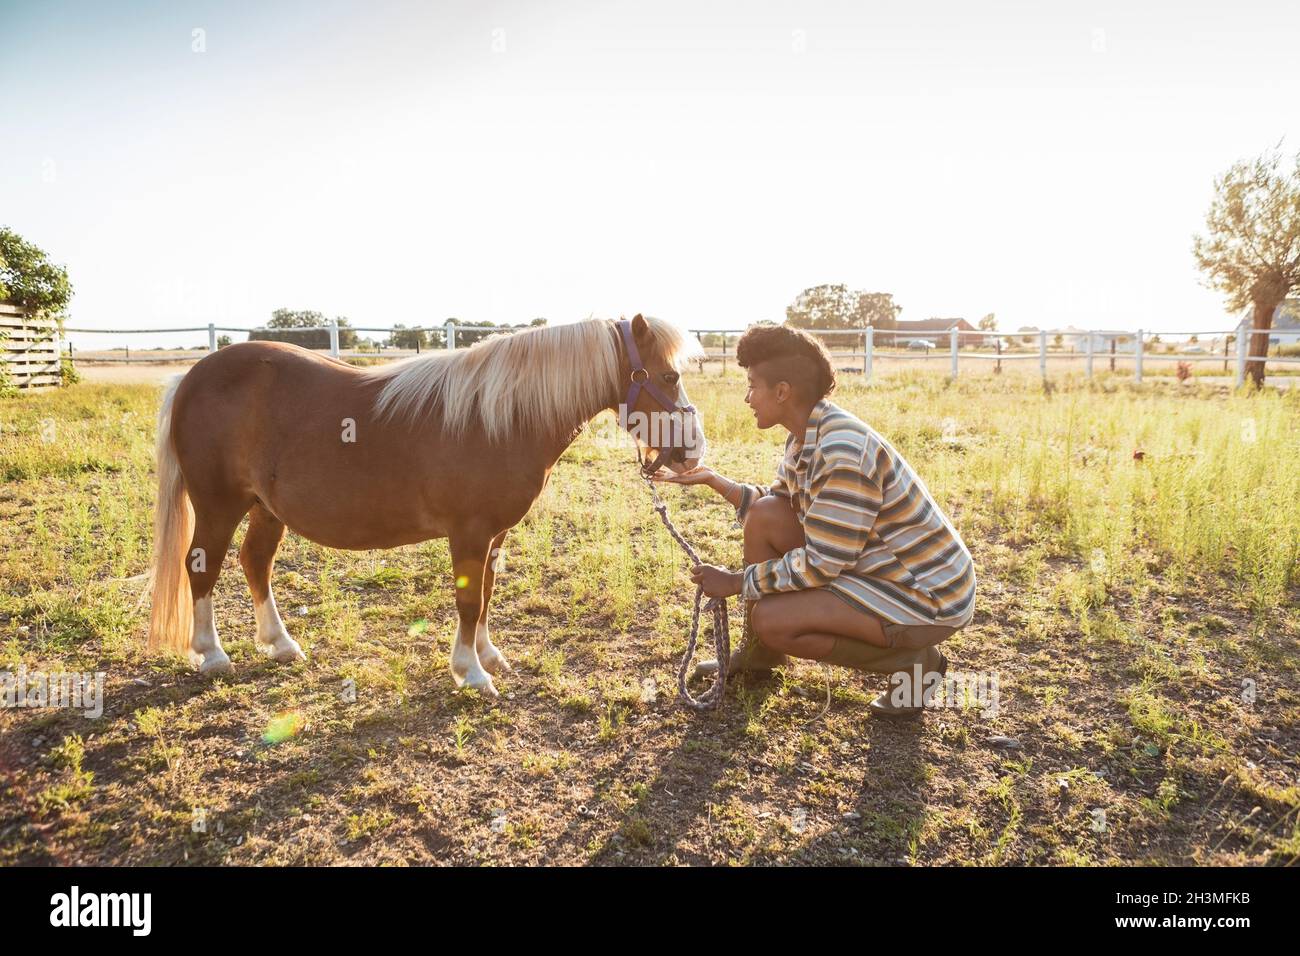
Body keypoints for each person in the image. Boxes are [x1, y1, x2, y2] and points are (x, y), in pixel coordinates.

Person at [653, 324, 976, 719]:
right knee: (764, 515)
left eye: (753, 385)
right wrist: (714, 481)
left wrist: (737, 583)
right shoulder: (808, 433)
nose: (747, 397)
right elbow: (778, 508)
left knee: (773, 620)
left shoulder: (842, 450)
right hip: (880, 568)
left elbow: (823, 564)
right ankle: (760, 656)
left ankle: (915, 665)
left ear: (782, 392)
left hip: (925, 595)